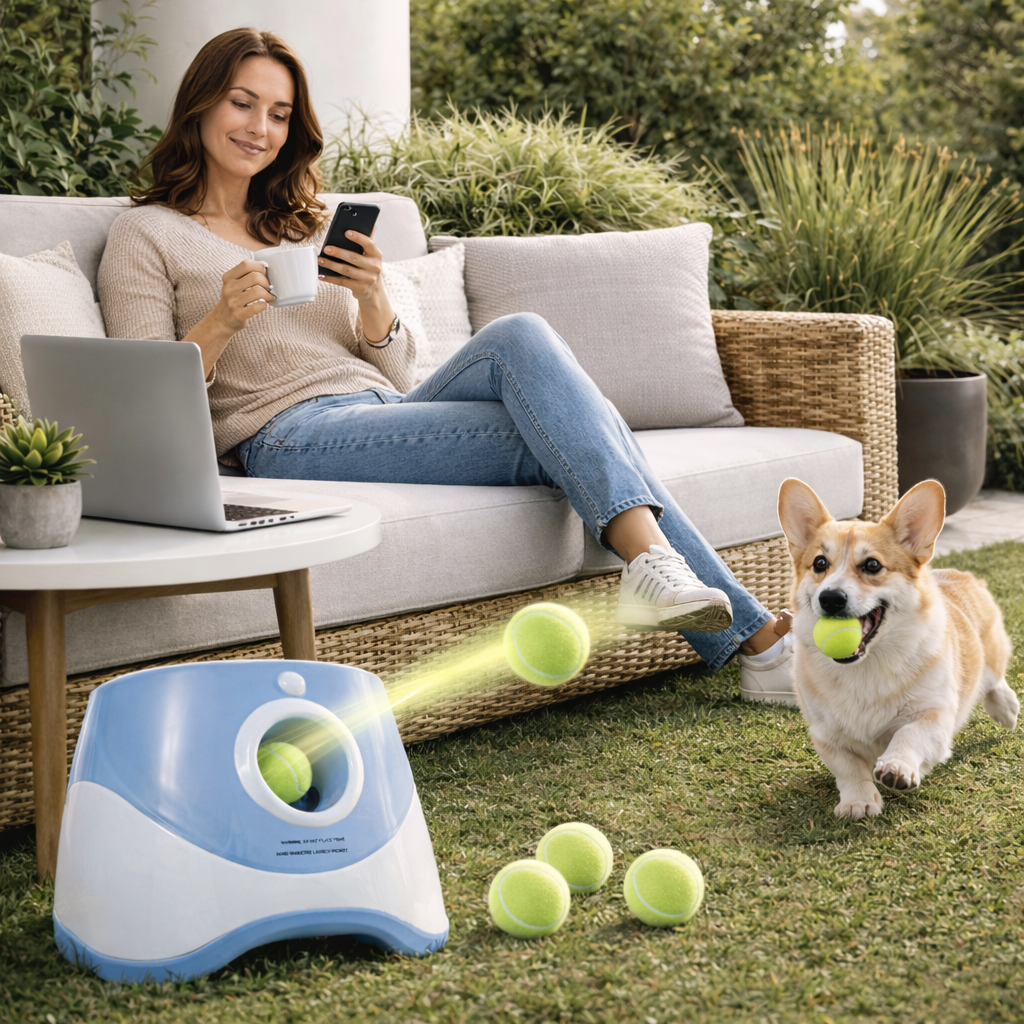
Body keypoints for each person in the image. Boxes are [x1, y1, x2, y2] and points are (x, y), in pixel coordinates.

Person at [97, 28, 795, 701]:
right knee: (589, 430)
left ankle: (712, 613)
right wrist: (221, 321)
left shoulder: (307, 224)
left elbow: (402, 371)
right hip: (284, 435)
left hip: (384, 410)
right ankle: (750, 636)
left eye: (279, 114)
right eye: (242, 103)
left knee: (522, 338)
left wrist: (372, 295)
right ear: (200, 105)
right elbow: (143, 401)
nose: (261, 127)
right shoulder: (147, 233)